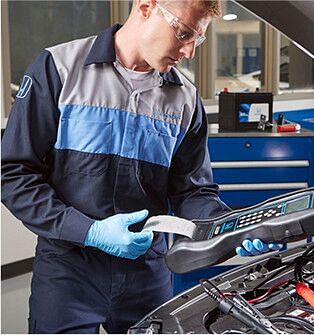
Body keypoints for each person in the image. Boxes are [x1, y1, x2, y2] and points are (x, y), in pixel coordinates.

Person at [1, 0, 281, 333]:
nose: (189, 51)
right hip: (68, 269)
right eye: (183, 33)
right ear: (146, 7)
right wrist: (89, 232)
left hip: (147, 272)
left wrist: (232, 228)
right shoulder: (59, 69)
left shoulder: (185, 99)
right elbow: (13, 174)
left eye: (199, 39)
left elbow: (192, 190)